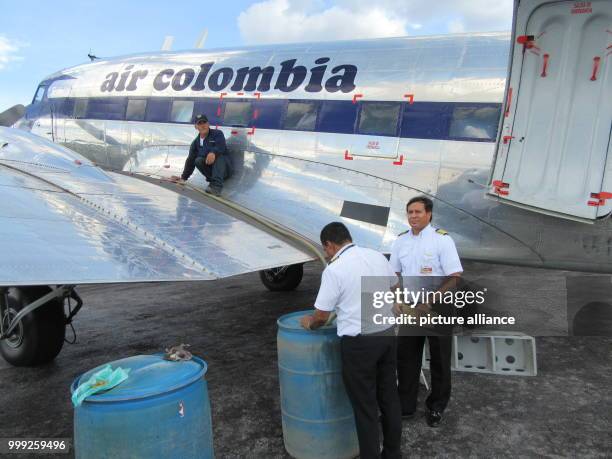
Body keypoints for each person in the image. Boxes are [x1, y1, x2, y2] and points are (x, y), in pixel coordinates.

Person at [300, 222, 402, 459]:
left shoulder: (335, 269)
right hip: (387, 334)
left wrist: (308, 322)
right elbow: (395, 284)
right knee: (388, 397)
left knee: (365, 407)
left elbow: (321, 317)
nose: (326, 254)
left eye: (325, 250)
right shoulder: (376, 255)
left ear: (329, 245)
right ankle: (393, 453)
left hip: (359, 345)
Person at [390, 196, 462, 428]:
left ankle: (436, 407)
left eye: (418, 212)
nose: (413, 216)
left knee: (440, 360)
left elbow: (454, 277)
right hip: (411, 308)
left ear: (429, 214)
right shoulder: (400, 241)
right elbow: (394, 276)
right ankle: (406, 405)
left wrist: (429, 301)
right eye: (410, 212)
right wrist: (398, 299)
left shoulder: (442, 240)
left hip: (438, 308)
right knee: (406, 358)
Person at [171, 114, 232, 196]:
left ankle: (216, 187)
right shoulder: (195, 143)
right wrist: (183, 178)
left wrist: (213, 152)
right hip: (212, 172)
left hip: (225, 170)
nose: (203, 125)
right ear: (196, 127)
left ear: (208, 124)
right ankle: (212, 182)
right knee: (198, 160)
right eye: (200, 123)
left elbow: (221, 146)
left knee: (219, 156)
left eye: (204, 122)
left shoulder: (217, 133)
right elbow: (190, 161)